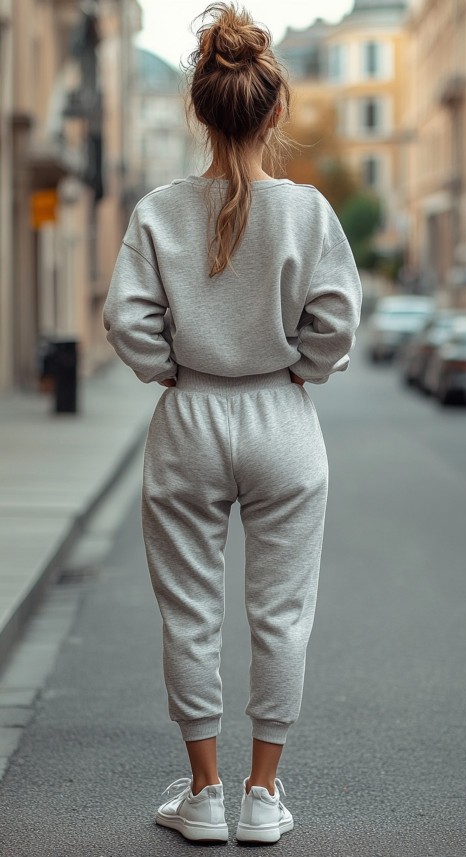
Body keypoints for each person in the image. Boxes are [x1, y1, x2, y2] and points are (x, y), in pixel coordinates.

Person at [103, 1, 362, 845]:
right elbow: (336, 324)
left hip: (190, 416)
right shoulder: (310, 212)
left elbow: (126, 321)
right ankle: (263, 794)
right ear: (275, 108)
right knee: (282, 614)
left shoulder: (158, 210)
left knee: (190, 612)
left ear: (199, 111)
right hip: (282, 419)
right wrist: (299, 370)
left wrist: (171, 370)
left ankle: (205, 792)